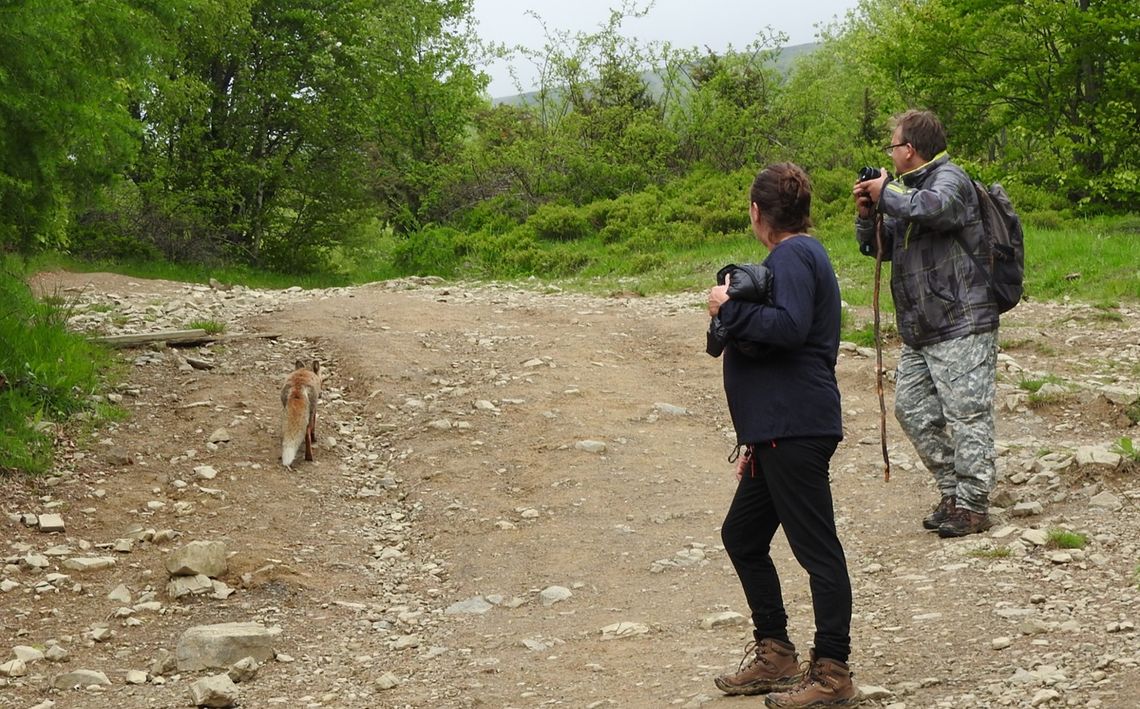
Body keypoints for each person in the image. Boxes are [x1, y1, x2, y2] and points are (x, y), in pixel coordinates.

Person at [708, 162, 859, 708]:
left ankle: (833, 673)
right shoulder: (799, 254)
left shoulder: (794, 254)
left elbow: (791, 327)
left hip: (796, 426)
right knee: (742, 536)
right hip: (777, 429)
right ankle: (776, 653)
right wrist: (755, 437)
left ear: (756, 212)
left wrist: (730, 310)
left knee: (818, 551)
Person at [852, 109, 998, 538]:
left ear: (909, 149)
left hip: (962, 320)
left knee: (967, 414)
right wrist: (869, 213)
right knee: (911, 408)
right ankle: (951, 492)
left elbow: (938, 210)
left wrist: (888, 194)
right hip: (922, 327)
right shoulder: (903, 191)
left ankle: (974, 505)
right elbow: (880, 250)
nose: (891, 153)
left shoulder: (950, 179)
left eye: (893, 146)